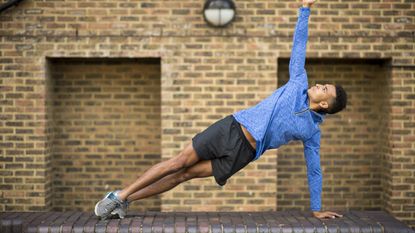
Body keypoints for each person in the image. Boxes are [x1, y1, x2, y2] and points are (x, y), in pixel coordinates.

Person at [94, 0, 347, 220]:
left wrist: (317, 209)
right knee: (179, 162)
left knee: (185, 176)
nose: (318, 85)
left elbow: (314, 168)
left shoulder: (311, 131)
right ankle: (120, 195)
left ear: (324, 104)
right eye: (322, 84)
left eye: (324, 89)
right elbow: (299, 47)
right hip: (231, 128)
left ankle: (127, 201)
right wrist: (305, 9)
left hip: (244, 153)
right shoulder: (297, 83)